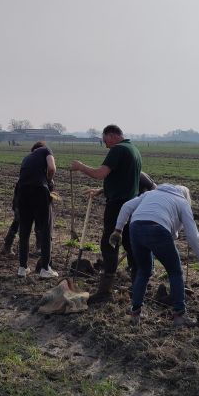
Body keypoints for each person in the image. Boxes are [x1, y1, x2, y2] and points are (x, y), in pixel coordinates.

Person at [112, 184, 199, 327]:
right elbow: (192, 234)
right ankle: (179, 315)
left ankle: (135, 313)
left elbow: (127, 206)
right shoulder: (182, 202)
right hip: (157, 229)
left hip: (135, 227)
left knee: (143, 271)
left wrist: (118, 230)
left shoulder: (151, 194)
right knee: (175, 272)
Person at [71, 124, 142, 302]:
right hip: (132, 205)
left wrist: (81, 167)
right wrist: (101, 190)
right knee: (129, 243)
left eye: (105, 141)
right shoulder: (134, 150)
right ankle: (138, 286)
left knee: (109, 243)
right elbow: (123, 179)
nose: (105, 145)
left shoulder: (117, 150)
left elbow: (100, 173)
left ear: (111, 136)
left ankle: (104, 291)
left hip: (117, 205)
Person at [16, 142, 59, 278]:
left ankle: (22, 268)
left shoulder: (26, 158)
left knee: (24, 231)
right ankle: (45, 269)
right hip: (39, 191)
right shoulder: (46, 149)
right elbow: (52, 168)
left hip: (22, 192)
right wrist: (49, 181)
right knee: (45, 230)